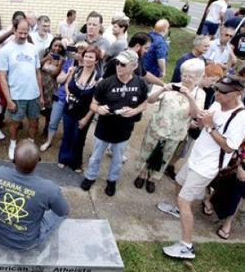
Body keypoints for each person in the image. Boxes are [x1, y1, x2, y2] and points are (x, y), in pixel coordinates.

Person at [160, 77, 245, 259]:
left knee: (184, 201)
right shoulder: (217, 103)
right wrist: (191, 98)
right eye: (217, 90)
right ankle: (178, 210)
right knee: (178, 182)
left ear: (238, 94)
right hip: (196, 158)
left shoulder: (240, 118)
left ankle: (186, 246)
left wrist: (209, 128)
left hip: (207, 166)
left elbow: (229, 147)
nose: (217, 94)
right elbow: (203, 116)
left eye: (223, 92)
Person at [80, 50, 148, 195]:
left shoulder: (140, 83)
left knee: (117, 160)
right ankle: (90, 177)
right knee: (96, 157)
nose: (119, 66)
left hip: (124, 131)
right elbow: (93, 104)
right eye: (117, 62)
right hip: (103, 129)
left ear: (134, 66)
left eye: (123, 64)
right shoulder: (106, 83)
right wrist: (98, 109)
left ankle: (112, 181)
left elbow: (144, 104)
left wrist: (135, 111)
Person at [134, 59, 206, 194]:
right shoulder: (172, 86)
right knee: (147, 151)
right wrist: (162, 89)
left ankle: (153, 178)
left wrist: (189, 97)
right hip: (156, 128)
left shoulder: (199, 94)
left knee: (165, 157)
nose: (186, 78)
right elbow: (150, 100)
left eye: (190, 76)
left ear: (198, 77)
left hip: (176, 133)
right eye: (184, 75)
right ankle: (142, 174)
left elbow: (196, 114)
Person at [0, 139, 69, 250]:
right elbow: (63, 211)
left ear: (13, 160)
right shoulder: (49, 189)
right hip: (26, 243)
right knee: (58, 214)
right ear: (38, 160)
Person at [0, 18, 44, 160]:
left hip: (33, 95)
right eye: (20, 33)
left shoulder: (32, 48)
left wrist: (41, 95)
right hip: (17, 96)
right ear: (14, 30)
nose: (23, 36)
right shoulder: (5, 50)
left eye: (26, 33)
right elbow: (2, 77)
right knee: (15, 123)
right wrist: (9, 100)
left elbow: (38, 73)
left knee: (34, 121)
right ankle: (13, 144)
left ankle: (31, 145)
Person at [58, 46, 102, 173]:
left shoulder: (98, 79)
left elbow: (96, 102)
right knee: (67, 134)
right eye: (86, 56)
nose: (87, 59)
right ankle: (63, 158)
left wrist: (86, 118)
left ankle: (75, 162)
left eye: (91, 57)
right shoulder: (76, 70)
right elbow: (67, 84)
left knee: (79, 137)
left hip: (84, 113)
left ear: (96, 61)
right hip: (69, 109)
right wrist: (67, 94)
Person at [40, 41, 88, 152]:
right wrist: (68, 73)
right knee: (53, 121)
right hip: (61, 96)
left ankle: (67, 144)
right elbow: (59, 79)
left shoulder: (88, 65)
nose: (79, 53)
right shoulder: (69, 63)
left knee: (70, 124)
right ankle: (48, 141)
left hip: (76, 100)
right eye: (77, 50)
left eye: (82, 50)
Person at [39, 36, 65, 137]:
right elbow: (36, 66)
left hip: (51, 86)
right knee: (38, 106)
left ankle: (46, 126)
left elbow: (54, 75)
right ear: (51, 45)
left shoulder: (61, 59)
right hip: (41, 83)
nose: (57, 48)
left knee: (49, 108)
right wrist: (46, 58)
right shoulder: (44, 53)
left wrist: (60, 65)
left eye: (60, 46)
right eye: (55, 45)